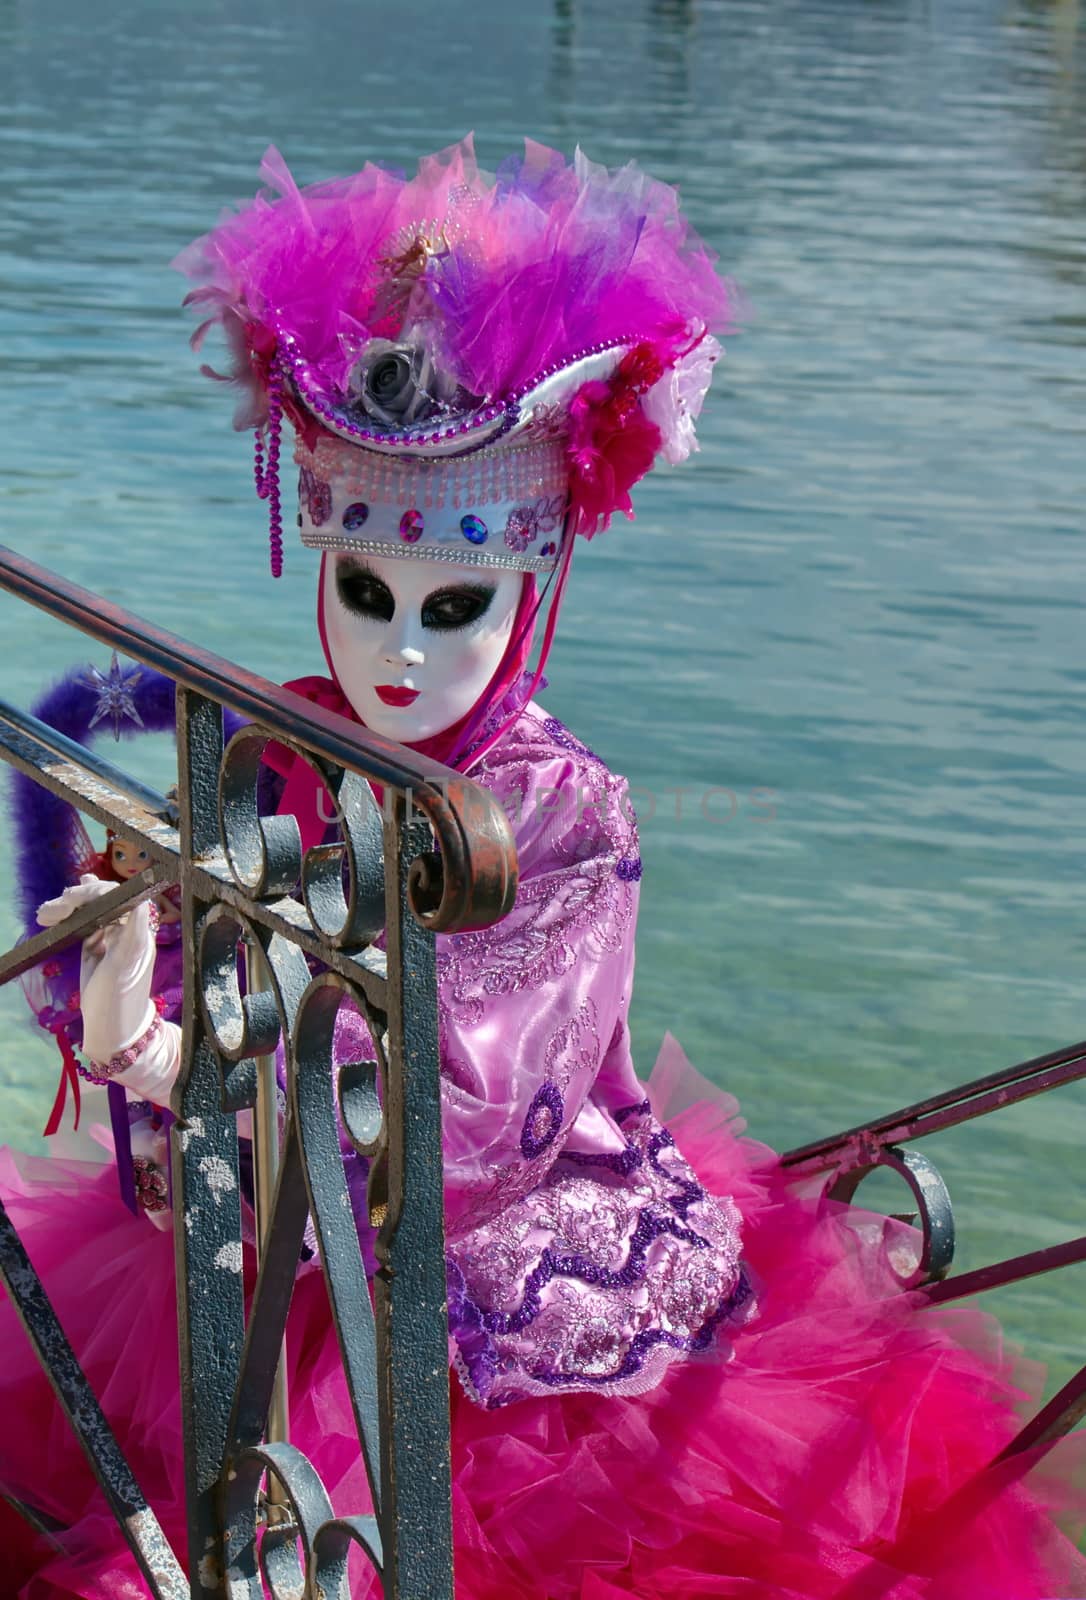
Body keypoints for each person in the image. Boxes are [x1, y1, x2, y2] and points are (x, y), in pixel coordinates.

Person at [1, 137, 1084, 1599]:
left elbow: (467, 1118)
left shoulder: (561, 815)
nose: (397, 652)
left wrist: (174, 1051)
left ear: (527, 592)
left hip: (489, 1277)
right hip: (266, 1234)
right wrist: (129, 997)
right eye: (365, 594)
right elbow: (206, 977)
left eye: (453, 609)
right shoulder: (280, 743)